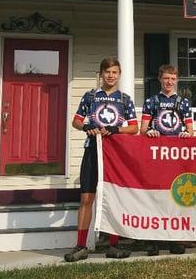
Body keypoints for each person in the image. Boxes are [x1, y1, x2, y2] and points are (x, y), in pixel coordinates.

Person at [64, 57, 139, 262]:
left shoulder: (125, 99)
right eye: (107, 72)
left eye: (114, 72)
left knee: (113, 198)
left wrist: (117, 129)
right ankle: (81, 245)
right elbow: (76, 121)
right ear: (101, 74)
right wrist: (86, 127)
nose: (111, 76)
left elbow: (135, 128)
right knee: (86, 198)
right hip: (92, 151)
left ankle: (113, 245)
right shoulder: (90, 96)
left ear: (119, 74)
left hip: (115, 156)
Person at [140, 64, 194, 256]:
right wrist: (149, 132)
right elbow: (142, 129)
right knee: (156, 196)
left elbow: (191, 131)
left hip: (178, 158)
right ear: (160, 79)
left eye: (173, 78)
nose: (169, 82)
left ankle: (175, 239)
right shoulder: (151, 101)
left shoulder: (184, 102)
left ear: (176, 80)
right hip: (157, 157)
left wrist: (187, 134)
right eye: (166, 78)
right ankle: (153, 241)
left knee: (176, 196)